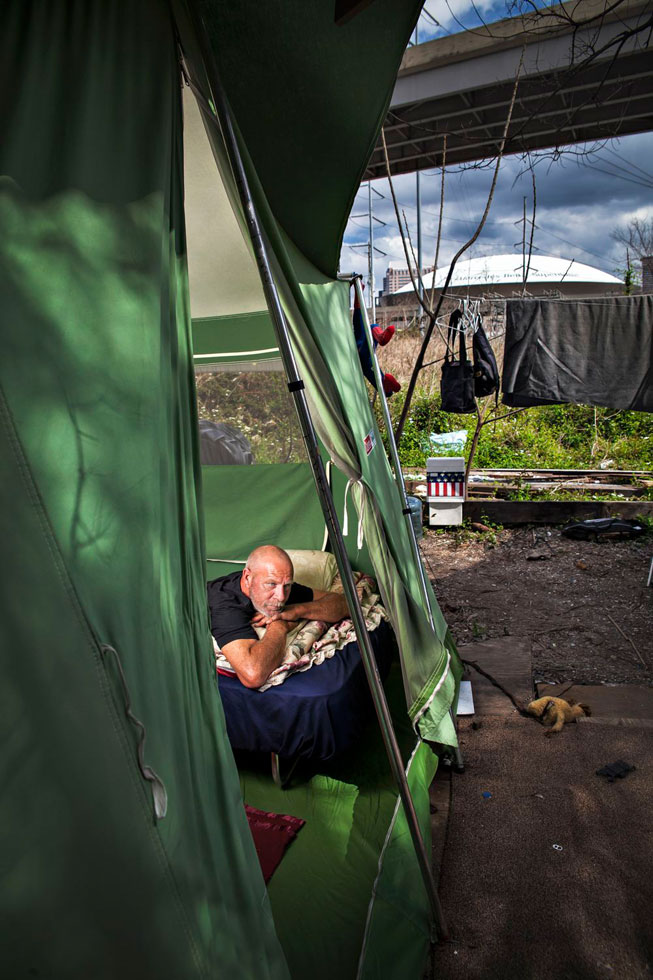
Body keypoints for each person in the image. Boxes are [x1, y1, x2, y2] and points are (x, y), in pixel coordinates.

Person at [207, 545, 350, 689]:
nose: (281, 597)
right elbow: (253, 675)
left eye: (287, 586)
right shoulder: (225, 606)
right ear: (247, 577)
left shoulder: (278, 585)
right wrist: (280, 626)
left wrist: (297, 610)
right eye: (271, 584)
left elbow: (345, 604)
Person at [352, 285, 401, 396]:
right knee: (368, 326)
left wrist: (357, 290)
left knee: (364, 325)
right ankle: (379, 337)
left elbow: (358, 312)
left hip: (360, 352)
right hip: (362, 351)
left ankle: (379, 337)